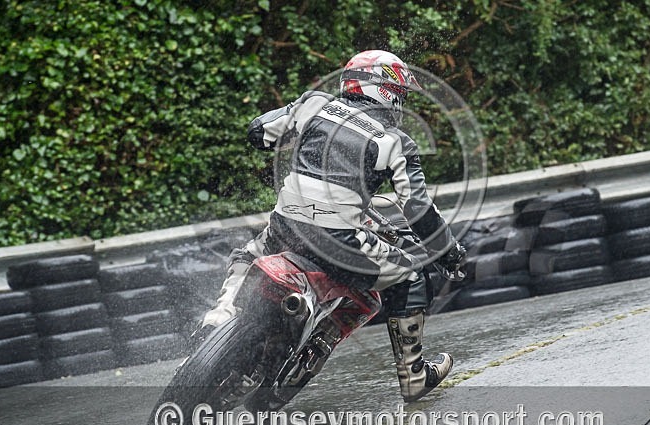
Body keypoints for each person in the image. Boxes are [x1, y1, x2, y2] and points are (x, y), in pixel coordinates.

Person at [197, 49, 466, 403]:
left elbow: (257, 132)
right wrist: (448, 254)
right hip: (339, 240)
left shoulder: (315, 105)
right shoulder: (395, 141)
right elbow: (417, 209)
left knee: (246, 255)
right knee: (411, 275)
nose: (400, 102)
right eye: (399, 93)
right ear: (382, 88)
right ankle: (414, 375)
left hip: (285, 225)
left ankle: (217, 319)